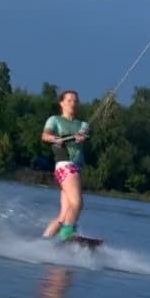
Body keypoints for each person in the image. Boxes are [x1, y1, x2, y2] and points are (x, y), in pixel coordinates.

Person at [41, 90, 89, 242]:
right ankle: (65, 238)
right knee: (78, 204)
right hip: (65, 165)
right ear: (61, 103)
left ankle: (43, 243)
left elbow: (83, 134)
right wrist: (55, 139)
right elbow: (45, 135)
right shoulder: (54, 120)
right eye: (69, 100)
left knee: (64, 214)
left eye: (75, 101)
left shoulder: (83, 124)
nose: (72, 104)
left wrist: (80, 137)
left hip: (76, 168)